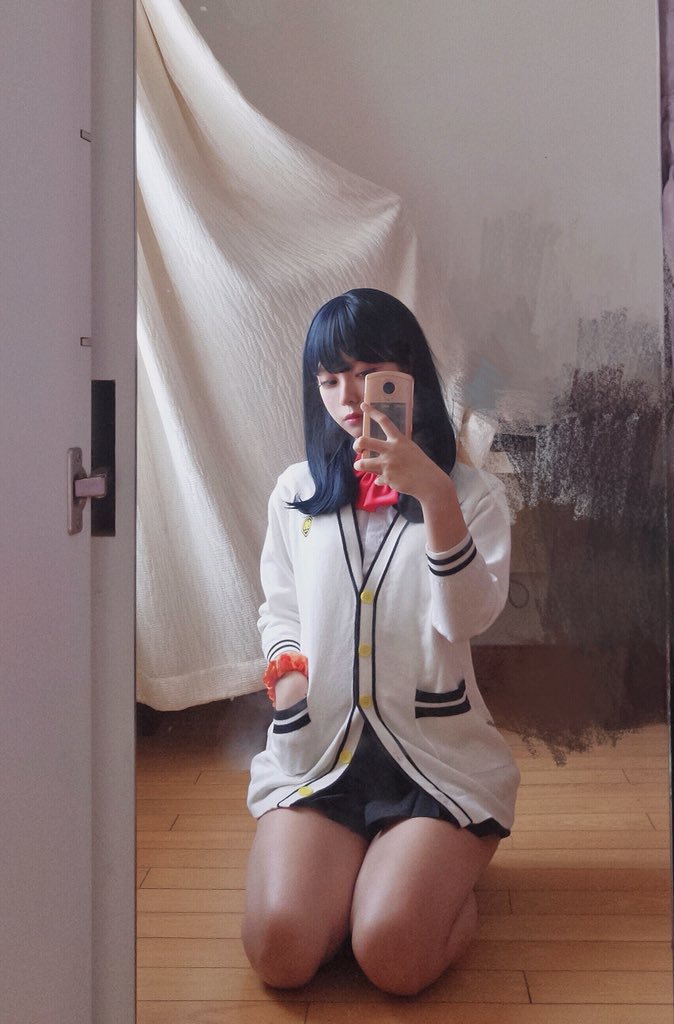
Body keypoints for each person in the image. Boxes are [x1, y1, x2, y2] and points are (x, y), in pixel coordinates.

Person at [241, 288, 520, 995]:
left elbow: (468, 617)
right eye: (329, 378)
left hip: (435, 762)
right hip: (321, 756)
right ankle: (365, 880)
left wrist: (436, 497)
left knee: (394, 957)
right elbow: (280, 610)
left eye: (369, 374)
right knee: (279, 952)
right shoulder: (296, 495)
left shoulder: (471, 496)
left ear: (409, 378)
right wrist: (289, 676)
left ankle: (427, 889)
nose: (348, 397)